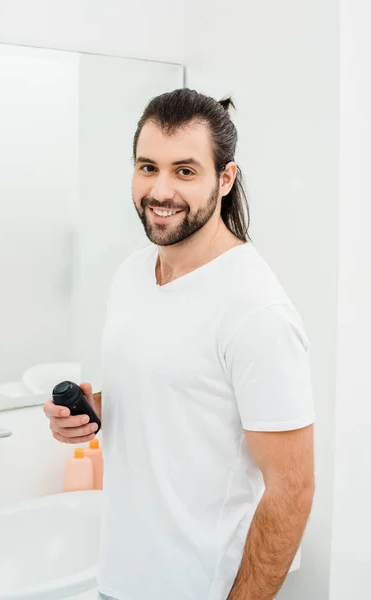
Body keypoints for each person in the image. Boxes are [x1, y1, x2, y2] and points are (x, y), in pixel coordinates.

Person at [44, 88, 315, 600]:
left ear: (226, 178)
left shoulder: (256, 309)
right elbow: (175, 397)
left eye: (185, 171)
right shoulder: (132, 274)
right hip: (120, 579)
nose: (160, 190)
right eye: (148, 167)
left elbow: (293, 490)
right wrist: (90, 412)